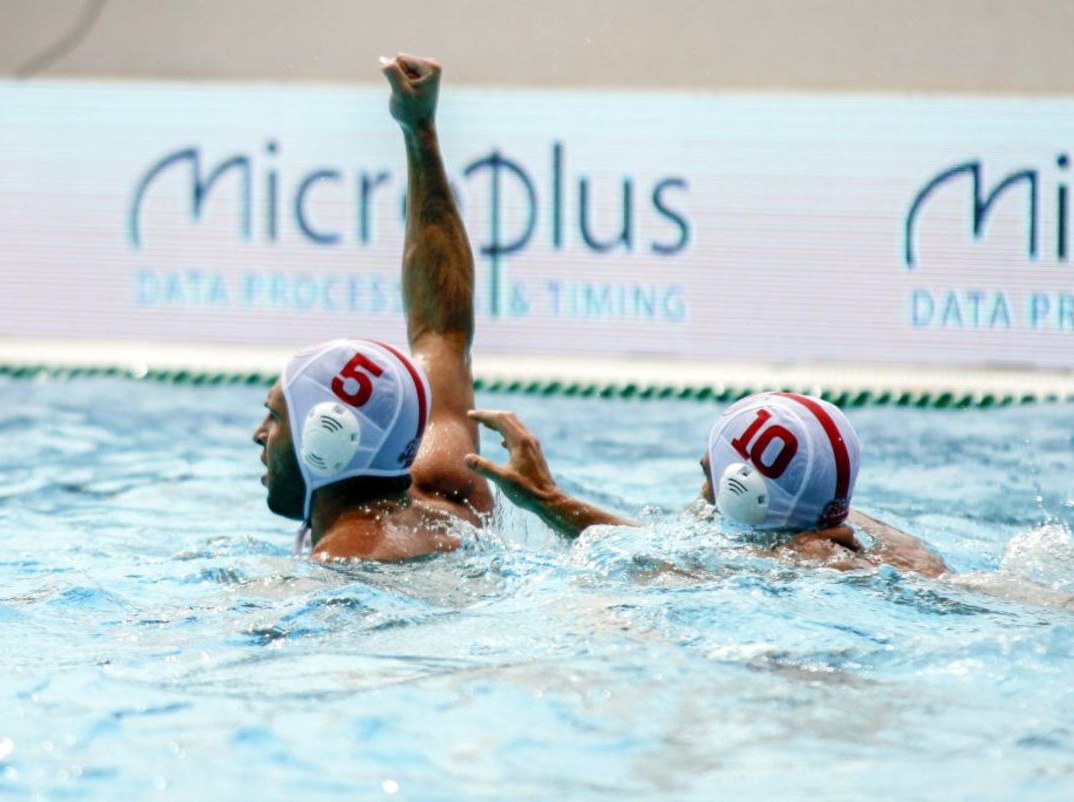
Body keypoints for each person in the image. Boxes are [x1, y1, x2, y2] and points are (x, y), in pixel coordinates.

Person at [252, 53, 493, 561]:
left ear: (326, 438)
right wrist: (419, 127)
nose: (259, 435)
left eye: (276, 417)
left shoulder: (334, 571)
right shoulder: (453, 492)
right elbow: (442, 331)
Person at [464, 391, 949, 577]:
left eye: (709, 474)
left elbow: (651, 559)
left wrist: (547, 499)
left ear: (747, 493)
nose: (702, 490)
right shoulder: (861, 533)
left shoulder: (799, 565)